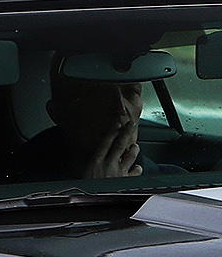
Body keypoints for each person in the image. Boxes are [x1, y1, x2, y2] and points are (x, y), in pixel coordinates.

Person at [15, 56, 161, 182]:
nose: (120, 108)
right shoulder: (16, 186)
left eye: (131, 91)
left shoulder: (171, 181)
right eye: (101, 95)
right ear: (59, 113)